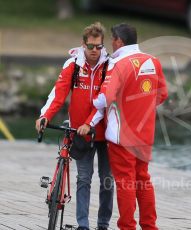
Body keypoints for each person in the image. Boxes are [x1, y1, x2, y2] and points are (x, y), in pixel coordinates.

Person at [81, 23, 168, 230]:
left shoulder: (118, 63)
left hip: (121, 136)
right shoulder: (153, 62)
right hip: (145, 134)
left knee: (126, 183)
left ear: (119, 41)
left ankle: (127, 226)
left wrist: (93, 102)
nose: (111, 43)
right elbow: (162, 94)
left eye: (112, 39)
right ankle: (149, 226)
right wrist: (142, 106)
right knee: (143, 180)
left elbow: (106, 97)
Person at [35, 22, 114, 230]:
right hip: (81, 133)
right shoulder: (73, 65)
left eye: (98, 46)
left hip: (105, 134)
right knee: (84, 179)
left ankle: (103, 225)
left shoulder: (110, 66)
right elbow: (58, 94)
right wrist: (45, 116)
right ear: (83, 44)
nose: (95, 51)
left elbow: (104, 101)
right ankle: (83, 226)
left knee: (107, 181)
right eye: (90, 46)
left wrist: (90, 123)